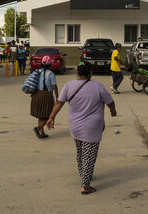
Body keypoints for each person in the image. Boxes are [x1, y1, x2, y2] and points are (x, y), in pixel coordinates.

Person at [46, 61, 117, 195]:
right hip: (92, 127)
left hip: (75, 126)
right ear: (90, 72)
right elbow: (110, 101)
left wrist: (51, 117)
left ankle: (85, 174)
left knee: (80, 152)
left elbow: (59, 102)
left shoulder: (69, 85)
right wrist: (113, 111)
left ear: (78, 72)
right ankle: (85, 185)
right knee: (89, 155)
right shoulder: (97, 86)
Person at [30, 55, 58, 139]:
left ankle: (41, 132)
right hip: (47, 95)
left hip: (37, 94)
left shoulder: (37, 72)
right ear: (50, 64)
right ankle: (38, 128)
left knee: (40, 114)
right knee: (49, 115)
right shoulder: (51, 74)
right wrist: (57, 97)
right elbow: (54, 87)